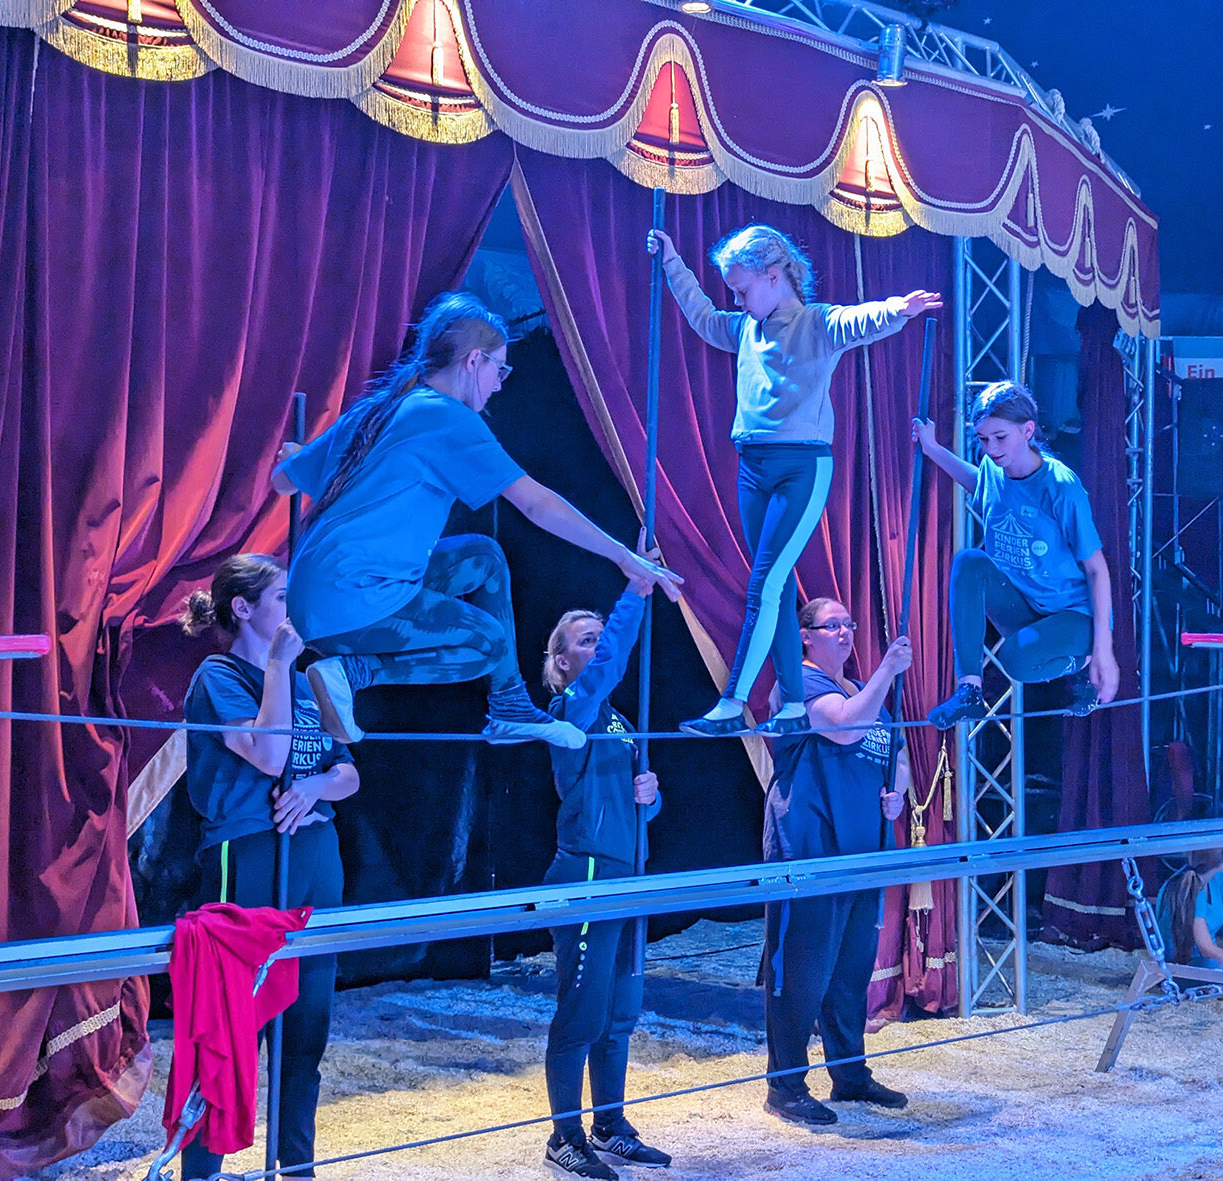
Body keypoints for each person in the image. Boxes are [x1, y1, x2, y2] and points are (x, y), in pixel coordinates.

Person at [271, 292, 682, 750]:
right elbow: (535, 503)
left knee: (483, 557)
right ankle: (351, 673)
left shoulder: (380, 408)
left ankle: (510, 706)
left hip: (314, 593)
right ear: (473, 360)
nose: (499, 385)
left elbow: (282, 481)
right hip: (350, 602)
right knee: (489, 643)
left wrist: (300, 455)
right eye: (499, 369)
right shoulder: (445, 417)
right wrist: (622, 556)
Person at [646, 223, 941, 737]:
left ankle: (734, 701)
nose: (737, 301)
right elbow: (702, 317)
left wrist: (899, 309)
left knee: (764, 584)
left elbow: (859, 321)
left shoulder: (815, 324)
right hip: (753, 467)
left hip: (801, 469)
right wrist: (672, 262)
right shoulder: (745, 329)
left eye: (742, 290)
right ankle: (793, 706)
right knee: (776, 590)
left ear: (773, 275)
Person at [178, 554, 360, 1181]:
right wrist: (278, 666)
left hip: (315, 849)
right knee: (232, 1028)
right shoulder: (219, 675)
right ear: (243, 607)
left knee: (306, 1026)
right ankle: (202, 1170)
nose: (292, 607)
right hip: (251, 847)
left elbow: (348, 772)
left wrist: (314, 788)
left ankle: (296, 1167)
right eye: (281, 596)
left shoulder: (309, 681)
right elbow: (267, 753)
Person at [538, 533, 672, 1180]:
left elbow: (636, 804)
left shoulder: (615, 718)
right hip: (587, 871)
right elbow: (610, 666)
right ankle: (564, 1136)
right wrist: (636, 591)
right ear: (562, 661)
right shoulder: (570, 708)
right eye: (585, 640)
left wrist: (650, 796)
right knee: (582, 1014)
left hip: (627, 869)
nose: (597, 646)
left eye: (599, 636)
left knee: (620, 1013)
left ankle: (611, 1125)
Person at [760, 596, 911, 1126]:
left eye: (850, 623)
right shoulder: (798, 684)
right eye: (832, 625)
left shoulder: (861, 688)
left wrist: (897, 791)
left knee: (851, 969)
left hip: (862, 848)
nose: (845, 631)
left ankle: (849, 1074)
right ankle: (785, 1087)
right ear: (805, 635)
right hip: (812, 843)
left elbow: (896, 752)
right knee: (803, 968)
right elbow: (845, 727)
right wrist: (888, 670)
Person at [913, 381, 1119, 727]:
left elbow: (1097, 569)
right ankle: (969, 691)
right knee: (969, 563)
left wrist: (1104, 651)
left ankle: (1082, 665)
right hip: (1027, 606)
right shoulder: (993, 469)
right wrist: (932, 449)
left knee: (1016, 661)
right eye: (983, 439)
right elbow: (979, 485)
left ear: (1027, 430)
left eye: (1000, 437)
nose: (991, 448)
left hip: (1074, 616)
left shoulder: (1060, 486)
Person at [1156, 847, 1223, 973]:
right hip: (1183, 968)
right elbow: (1206, 948)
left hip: (1210, 959)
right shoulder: (1190, 887)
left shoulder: (1218, 877)